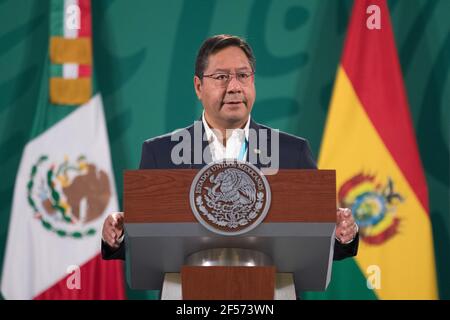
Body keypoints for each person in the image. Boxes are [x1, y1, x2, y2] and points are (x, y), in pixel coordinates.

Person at [102, 34, 359, 261]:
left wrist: (342, 236)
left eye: (243, 76)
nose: (234, 87)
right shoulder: (161, 154)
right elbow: (141, 245)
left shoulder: (293, 152)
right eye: (221, 77)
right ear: (198, 86)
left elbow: (320, 244)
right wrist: (118, 238)